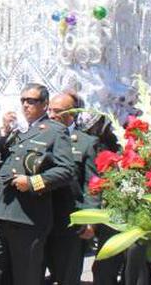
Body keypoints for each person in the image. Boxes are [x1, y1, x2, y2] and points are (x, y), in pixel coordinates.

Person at [0, 83, 75, 285]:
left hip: (28, 216)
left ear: (45, 105)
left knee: (25, 276)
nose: (26, 105)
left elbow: (66, 171)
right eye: (23, 100)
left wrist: (32, 182)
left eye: (32, 101)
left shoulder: (55, 131)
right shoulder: (16, 131)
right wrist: (3, 131)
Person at [45, 92, 99, 285]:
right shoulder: (38, 136)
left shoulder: (86, 143)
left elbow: (92, 184)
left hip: (69, 220)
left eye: (57, 111)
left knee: (68, 276)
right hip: (39, 217)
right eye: (49, 109)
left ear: (72, 114)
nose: (51, 115)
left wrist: (90, 220)